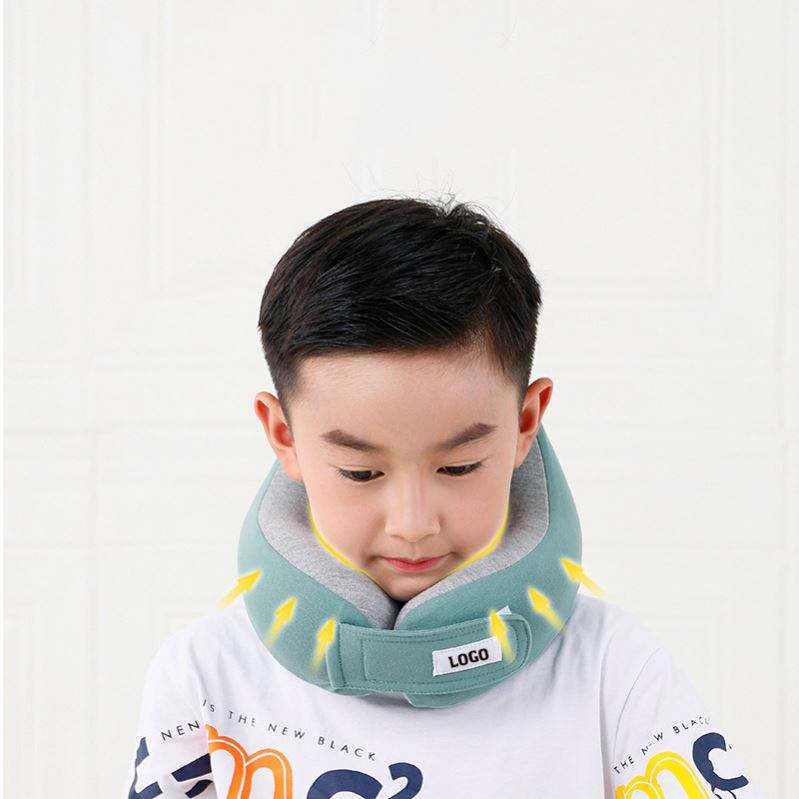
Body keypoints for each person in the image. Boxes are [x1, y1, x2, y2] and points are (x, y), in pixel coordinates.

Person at [122, 197, 764, 798]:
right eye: (360, 472)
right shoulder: (206, 678)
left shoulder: (614, 669)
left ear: (525, 422)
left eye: (458, 466)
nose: (412, 525)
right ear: (283, 436)